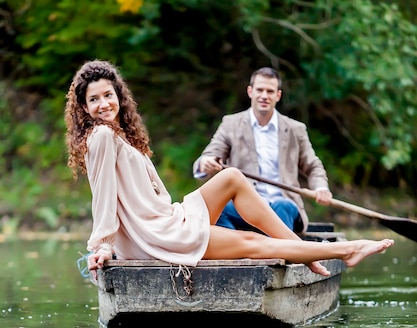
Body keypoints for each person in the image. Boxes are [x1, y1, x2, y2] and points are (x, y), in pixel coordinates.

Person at [64, 59, 394, 281]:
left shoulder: (121, 134)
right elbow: (103, 196)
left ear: (119, 96)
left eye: (109, 95)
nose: (103, 104)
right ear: (83, 106)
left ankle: (304, 251)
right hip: (155, 237)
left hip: (167, 218)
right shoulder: (102, 136)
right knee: (250, 242)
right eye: (94, 100)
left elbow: (313, 165)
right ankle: (345, 249)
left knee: (232, 177)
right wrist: (103, 245)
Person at [193, 66, 332, 234]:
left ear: (278, 95)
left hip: (282, 205)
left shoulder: (296, 129)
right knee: (218, 207)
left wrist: (321, 188)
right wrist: (205, 162)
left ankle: (281, 253)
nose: (264, 96)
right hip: (244, 207)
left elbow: (313, 166)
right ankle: (235, 251)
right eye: (260, 90)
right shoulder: (231, 124)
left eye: (270, 91)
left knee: (283, 206)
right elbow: (210, 154)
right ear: (250, 91)